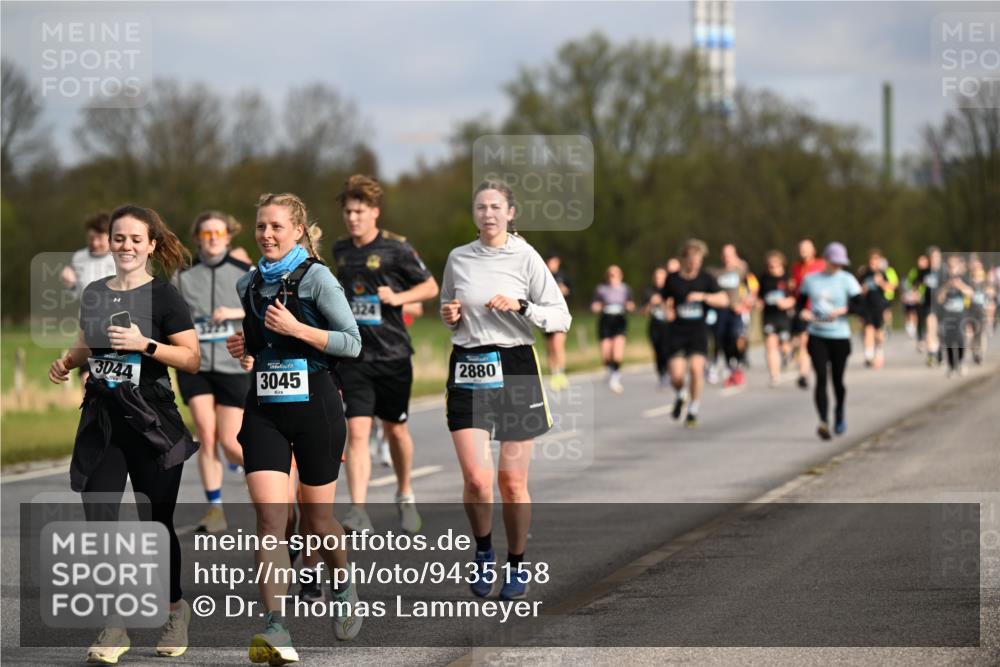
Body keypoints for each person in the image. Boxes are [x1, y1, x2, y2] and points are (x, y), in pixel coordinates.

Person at [48, 204, 200, 663]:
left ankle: (176, 611)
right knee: (99, 523)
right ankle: (114, 627)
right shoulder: (94, 291)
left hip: (152, 422)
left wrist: (146, 345)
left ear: (151, 244)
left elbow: (190, 358)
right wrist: (69, 361)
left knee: (155, 525)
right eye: (120, 238)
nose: (127, 246)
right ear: (110, 243)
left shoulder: (166, 297)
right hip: (103, 420)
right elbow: (86, 339)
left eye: (136, 239)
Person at [225, 193, 364, 662]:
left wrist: (296, 329)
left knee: (316, 521)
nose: (266, 234)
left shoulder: (317, 278)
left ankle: (342, 586)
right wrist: (245, 346)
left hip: (316, 409)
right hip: (264, 407)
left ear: (298, 231)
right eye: (261, 226)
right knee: (269, 521)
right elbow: (259, 342)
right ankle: (276, 627)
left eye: (277, 227)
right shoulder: (247, 283)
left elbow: (351, 342)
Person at [439, 180, 570, 601]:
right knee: (477, 479)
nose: (489, 213)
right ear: (474, 213)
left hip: (514, 367)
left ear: (511, 213)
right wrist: (451, 315)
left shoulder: (525, 256)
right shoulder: (458, 258)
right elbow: (450, 313)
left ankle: (516, 561)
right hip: (468, 366)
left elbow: (560, 316)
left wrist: (522, 306)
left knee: (511, 482)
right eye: (481, 207)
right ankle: (482, 552)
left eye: (496, 207)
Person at [331, 174, 439, 535]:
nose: (353, 218)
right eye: (348, 212)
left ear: (374, 213)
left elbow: (430, 286)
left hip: (393, 354)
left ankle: (405, 493)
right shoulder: (340, 251)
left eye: (359, 211)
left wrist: (400, 297)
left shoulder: (397, 248)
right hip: (356, 355)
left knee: (395, 430)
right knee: (358, 431)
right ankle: (358, 509)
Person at [173, 211, 252, 534]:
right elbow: (170, 315)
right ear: (197, 239)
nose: (213, 238)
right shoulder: (183, 276)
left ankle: (275, 476)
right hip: (197, 365)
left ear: (228, 236)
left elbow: (266, 310)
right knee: (206, 434)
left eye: (218, 233)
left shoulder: (245, 273)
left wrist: (234, 312)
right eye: (206, 234)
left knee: (232, 444)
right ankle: (215, 509)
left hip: (233, 364)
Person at [796, 242, 862, 440]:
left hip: (840, 336)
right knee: (821, 379)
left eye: (840, 263)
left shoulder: (847, 280)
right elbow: (800, 304)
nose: (837, 267)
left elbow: (859, 306)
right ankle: (823, 421)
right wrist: (804, 313)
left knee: (837, 381)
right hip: (817, 335)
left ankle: (839, 411)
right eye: (834, 262)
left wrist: (842, 311)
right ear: (826, 260)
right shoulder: (810, 280)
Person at [661, 239, 729, 428]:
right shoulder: (672, 279)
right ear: (684, 259)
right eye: (691, 260)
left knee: (697, 370)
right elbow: (663, 300)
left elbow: (724, 300)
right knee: (676, 375)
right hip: (677, 332)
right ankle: (681, 394)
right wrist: (667, 311)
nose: (695, 264)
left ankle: (693, 409)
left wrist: (704, 296)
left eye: (698, 260)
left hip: (698, 331)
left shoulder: (706, 279)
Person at [710, 244, 757, 387]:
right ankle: (732, 368)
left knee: (738, 337)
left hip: (738, 311)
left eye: (730, 254)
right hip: (721, 311)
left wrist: (746, 302)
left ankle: (740, 361)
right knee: (723, 341)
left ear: (735, 255)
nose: (727, 257)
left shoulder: (742, 270)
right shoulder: (716, 272)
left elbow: (753, 288)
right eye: (724, 255)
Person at [591, 265, 635, 393]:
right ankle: (610, 369)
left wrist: (629, 306)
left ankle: (615, 377)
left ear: (620, 276)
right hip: (605, 321)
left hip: (619, 321)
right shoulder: (601, 289)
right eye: (610, 275)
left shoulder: (625, 289)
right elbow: (594, 305)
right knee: (606, 354)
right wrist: (597, 307)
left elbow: (631, 304)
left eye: (615, 275)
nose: (613, 278)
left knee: (617, 353)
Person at [789, 239, 826, 389]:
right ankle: (803, 374)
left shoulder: (821, 265)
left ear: (813, 250)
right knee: (803, 341)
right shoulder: (796, 268)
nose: (803, 251)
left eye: (806, 248)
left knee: (817, 343)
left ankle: (820, 368)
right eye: (801, 248)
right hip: (803, 311)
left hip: (820, 310)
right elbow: (795, 290)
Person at [758, 251, 796, 387]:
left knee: (785, 346)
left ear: (781, 264)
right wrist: (759, 302)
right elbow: (760, 296)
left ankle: (789, 353)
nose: (772, 269)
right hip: (769, 316)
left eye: (775, 266)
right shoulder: (764, 278)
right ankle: (774, 375)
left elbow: (796, 296)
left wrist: (788, 302)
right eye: (770, 266)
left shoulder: (788, 278)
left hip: (784, 317)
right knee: (770, 344)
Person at [60, 211, 117, 296]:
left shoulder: (121, 258)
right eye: (91, 238)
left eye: (100, 238)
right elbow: (76, 294)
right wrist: (71, 285)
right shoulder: (79, 257)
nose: (95, 243)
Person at [857, 248, 895, 369]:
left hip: (879, 305)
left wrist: (882, 283)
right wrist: (864, 289)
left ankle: (879, 351)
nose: (873, 262)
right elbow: (857, 289)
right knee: (868, 329)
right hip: (866, 305)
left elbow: (891, 288)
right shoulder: (864, 273)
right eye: (872, 260)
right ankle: (868, 356)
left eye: (876, 260)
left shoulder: (883, 273)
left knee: (878, 333)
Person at [938, 253, 973, 378]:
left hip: (961, 314)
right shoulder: (943, 279)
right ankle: (951, 365)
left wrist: (960, 286)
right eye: (950, 264)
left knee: (961, 340)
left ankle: (961, 361)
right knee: (948, 340)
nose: (952, 267)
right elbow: (939, 299)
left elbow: (971, 293)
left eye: (954, 264)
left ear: (958, 265)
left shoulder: (964, 278)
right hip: (947, 314)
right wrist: (947, 286)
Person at [545, 254, 572, 391]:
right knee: (550, 347)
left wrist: (563, 290)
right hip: (546, 316)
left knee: (558, 344)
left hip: (560, 315)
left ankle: (561, 373)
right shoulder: (542, 275)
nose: (552, 264)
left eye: (555, 261)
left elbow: (569, 291)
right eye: (550, 261)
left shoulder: (562, 276)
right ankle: (554, 374)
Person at [915, 247, 945, 366]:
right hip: (929, 304)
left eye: (936, 257)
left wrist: (944, 293)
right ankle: (931, 354)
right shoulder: (924, 271)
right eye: (932, 257)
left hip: (942, 306)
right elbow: (917, 284)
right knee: (930, 328)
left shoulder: (944, 271)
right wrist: (917, 293)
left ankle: (939, 351)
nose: (934, 260)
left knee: (939, 331)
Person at [642, 266, 672, 389]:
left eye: (661, 277)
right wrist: (651, 303)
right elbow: (643, 312)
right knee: (658, 351)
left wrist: (664, 302)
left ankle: (670, 372)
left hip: (669, 326)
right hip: (655, 325)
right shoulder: (649, 292)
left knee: (668, 350)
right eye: (656, 277)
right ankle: (662, 375)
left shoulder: (671, 291)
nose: (659, 279)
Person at [968, 257, 994, 364]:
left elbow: (991, 300)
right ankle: (975, 350)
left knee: (981, 332)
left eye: (978, 267)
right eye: (974, 268)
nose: (976, 270)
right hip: (970, 310)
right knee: (972, 333)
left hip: (982, 310)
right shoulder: (968, 282)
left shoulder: (986, 282)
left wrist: (990, 318)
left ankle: (980, 354)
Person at [902, 255, 927, 341]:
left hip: (926, 296)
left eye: (923, 261)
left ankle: (923, 332)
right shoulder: (914, 271)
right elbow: (908, 283)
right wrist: (912, 292)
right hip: (916, 296)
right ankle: (917, 331)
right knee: (914, 312)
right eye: (919, 261)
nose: (921, 264)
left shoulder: (929, 272)